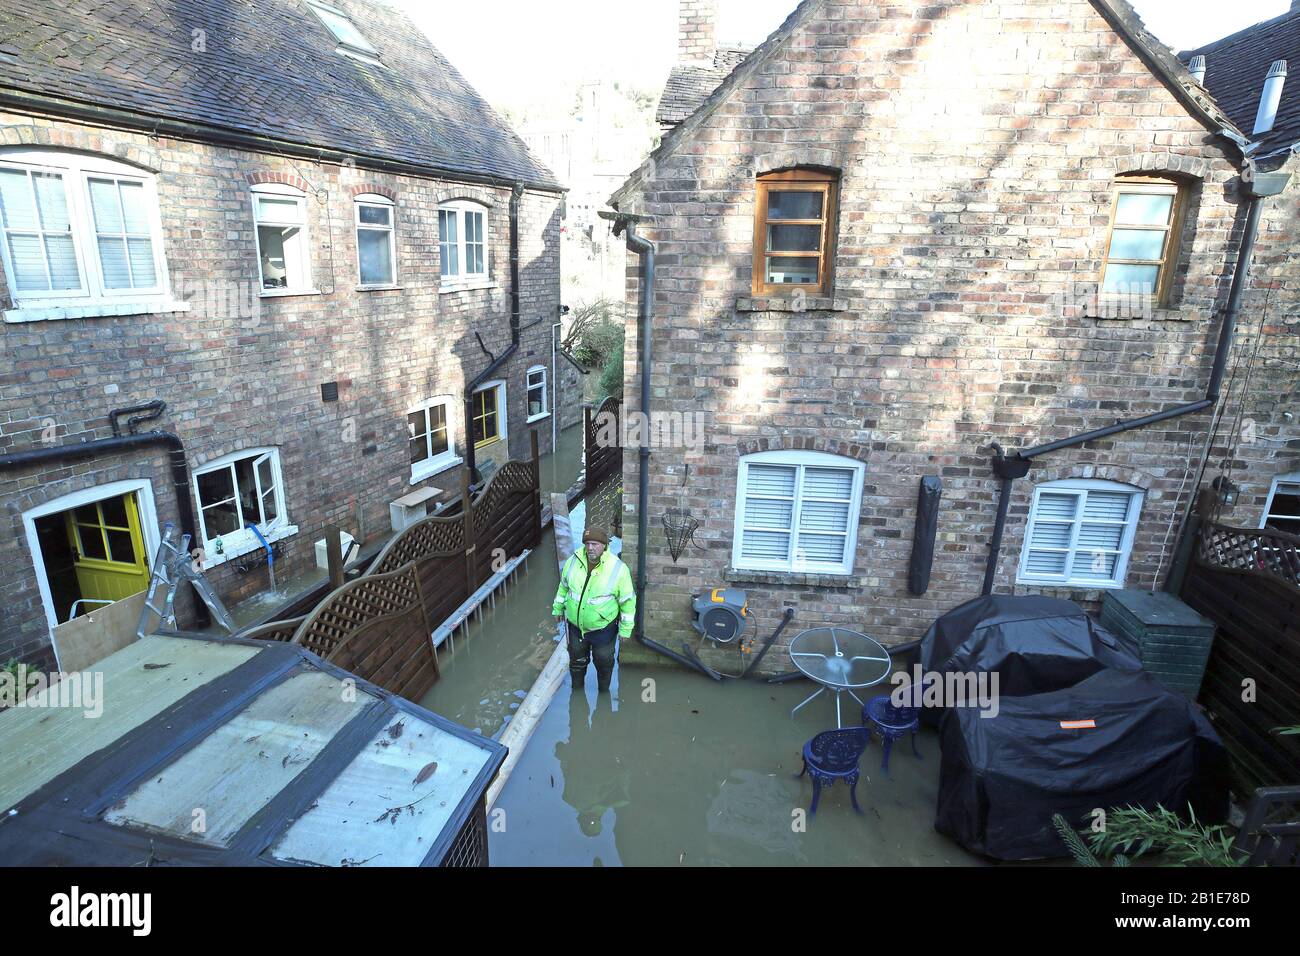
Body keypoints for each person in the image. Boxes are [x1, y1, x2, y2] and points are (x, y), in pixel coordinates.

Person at [552, 526, 636, 692]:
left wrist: (626, 630)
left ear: (604, 545)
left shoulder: (618, 569)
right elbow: (563, 587)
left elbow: (627, 602)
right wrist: (557, 608)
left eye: (595, 544)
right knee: (576, 662)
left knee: (604, 662)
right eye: (588, 543)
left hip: (603, 630)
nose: (590, 548)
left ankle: (604, 693)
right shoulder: (573, 561)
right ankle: (577, 692)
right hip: (576, 628)